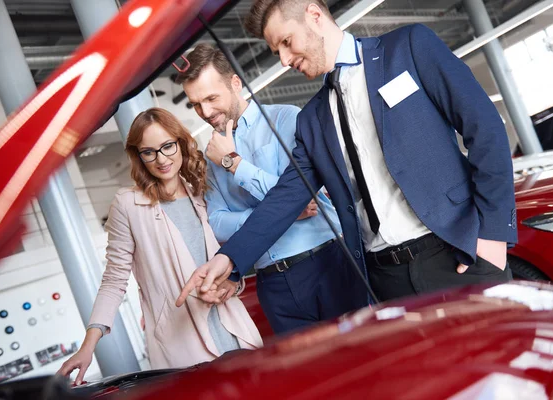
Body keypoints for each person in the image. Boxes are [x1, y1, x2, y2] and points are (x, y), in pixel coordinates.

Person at [176, 0, 517, 307]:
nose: (283, 59)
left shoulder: (409, 48)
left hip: (456, 253)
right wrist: (228, 260)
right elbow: (283, 200)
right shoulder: (312, 119)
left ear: (314, 15)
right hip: (386, 281)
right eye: (275, 49)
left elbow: (485, 129)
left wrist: (493, 235)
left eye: (286, 42)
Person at [57, 108, 262, 385]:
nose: (161, 159)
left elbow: (231, 257)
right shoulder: (128, 204)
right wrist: (88, 346)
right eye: (149, 152)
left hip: (232, 325)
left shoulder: (203, 193)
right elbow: (113, 281)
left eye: (167, 146)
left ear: (180, 142)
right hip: (180, 341)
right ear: (138, 156)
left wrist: (232, 284)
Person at [175, 44, 367, 334]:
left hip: (327, 264)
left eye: (211, 98)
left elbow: (303, 194)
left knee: (364, 356)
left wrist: (234, 163)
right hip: (274, 286)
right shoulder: (209, 156)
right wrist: (279, 212)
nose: (206, 111)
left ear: (235, 83)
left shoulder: (286, 120)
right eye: (196, 104)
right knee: (311, 376)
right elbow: (217, 224)